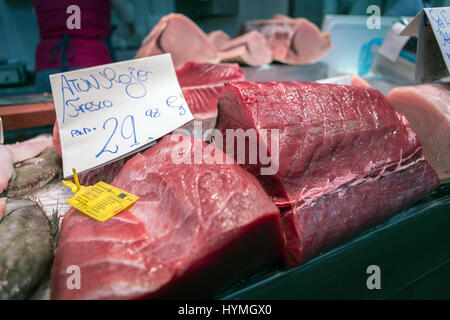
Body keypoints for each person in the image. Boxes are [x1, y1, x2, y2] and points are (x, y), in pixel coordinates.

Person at [32, 0, 134, 93]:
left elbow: (37, 18)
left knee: (47, 113)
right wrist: (130, 30)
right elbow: (127, 14)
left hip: (48, 64)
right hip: (92, 61)